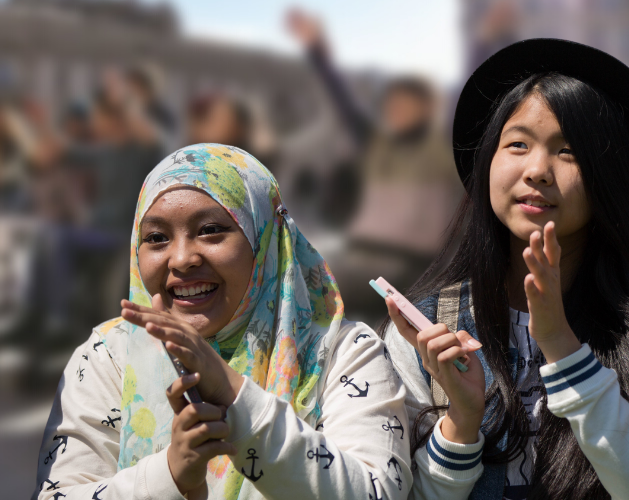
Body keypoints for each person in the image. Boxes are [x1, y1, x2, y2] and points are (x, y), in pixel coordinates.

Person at [384, 39, 629, 499]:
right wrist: (461, 424)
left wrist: (562, 346)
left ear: (608, 177)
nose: (538, 169)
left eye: (569, 151)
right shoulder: (426, 327)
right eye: (517, 144)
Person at [33, 144, 412, 500]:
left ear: (266, 241)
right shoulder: (109, 356)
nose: (181, 259)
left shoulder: (341, 353)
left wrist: (234, 396)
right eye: (157, 237)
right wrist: (170, 476)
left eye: (210, 230)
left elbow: (376, 490)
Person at [286, 7, 465, 320]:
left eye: (406, 105)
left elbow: (474, 100)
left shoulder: (444, 149)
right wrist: (316, 49)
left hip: (409, 263)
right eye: (392, 106)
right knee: (292, 274)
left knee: (307, 288)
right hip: (361, 254)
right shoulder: (375, 145)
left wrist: (491, 39)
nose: (397, 112)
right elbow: (342, 101)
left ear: (426, 108)